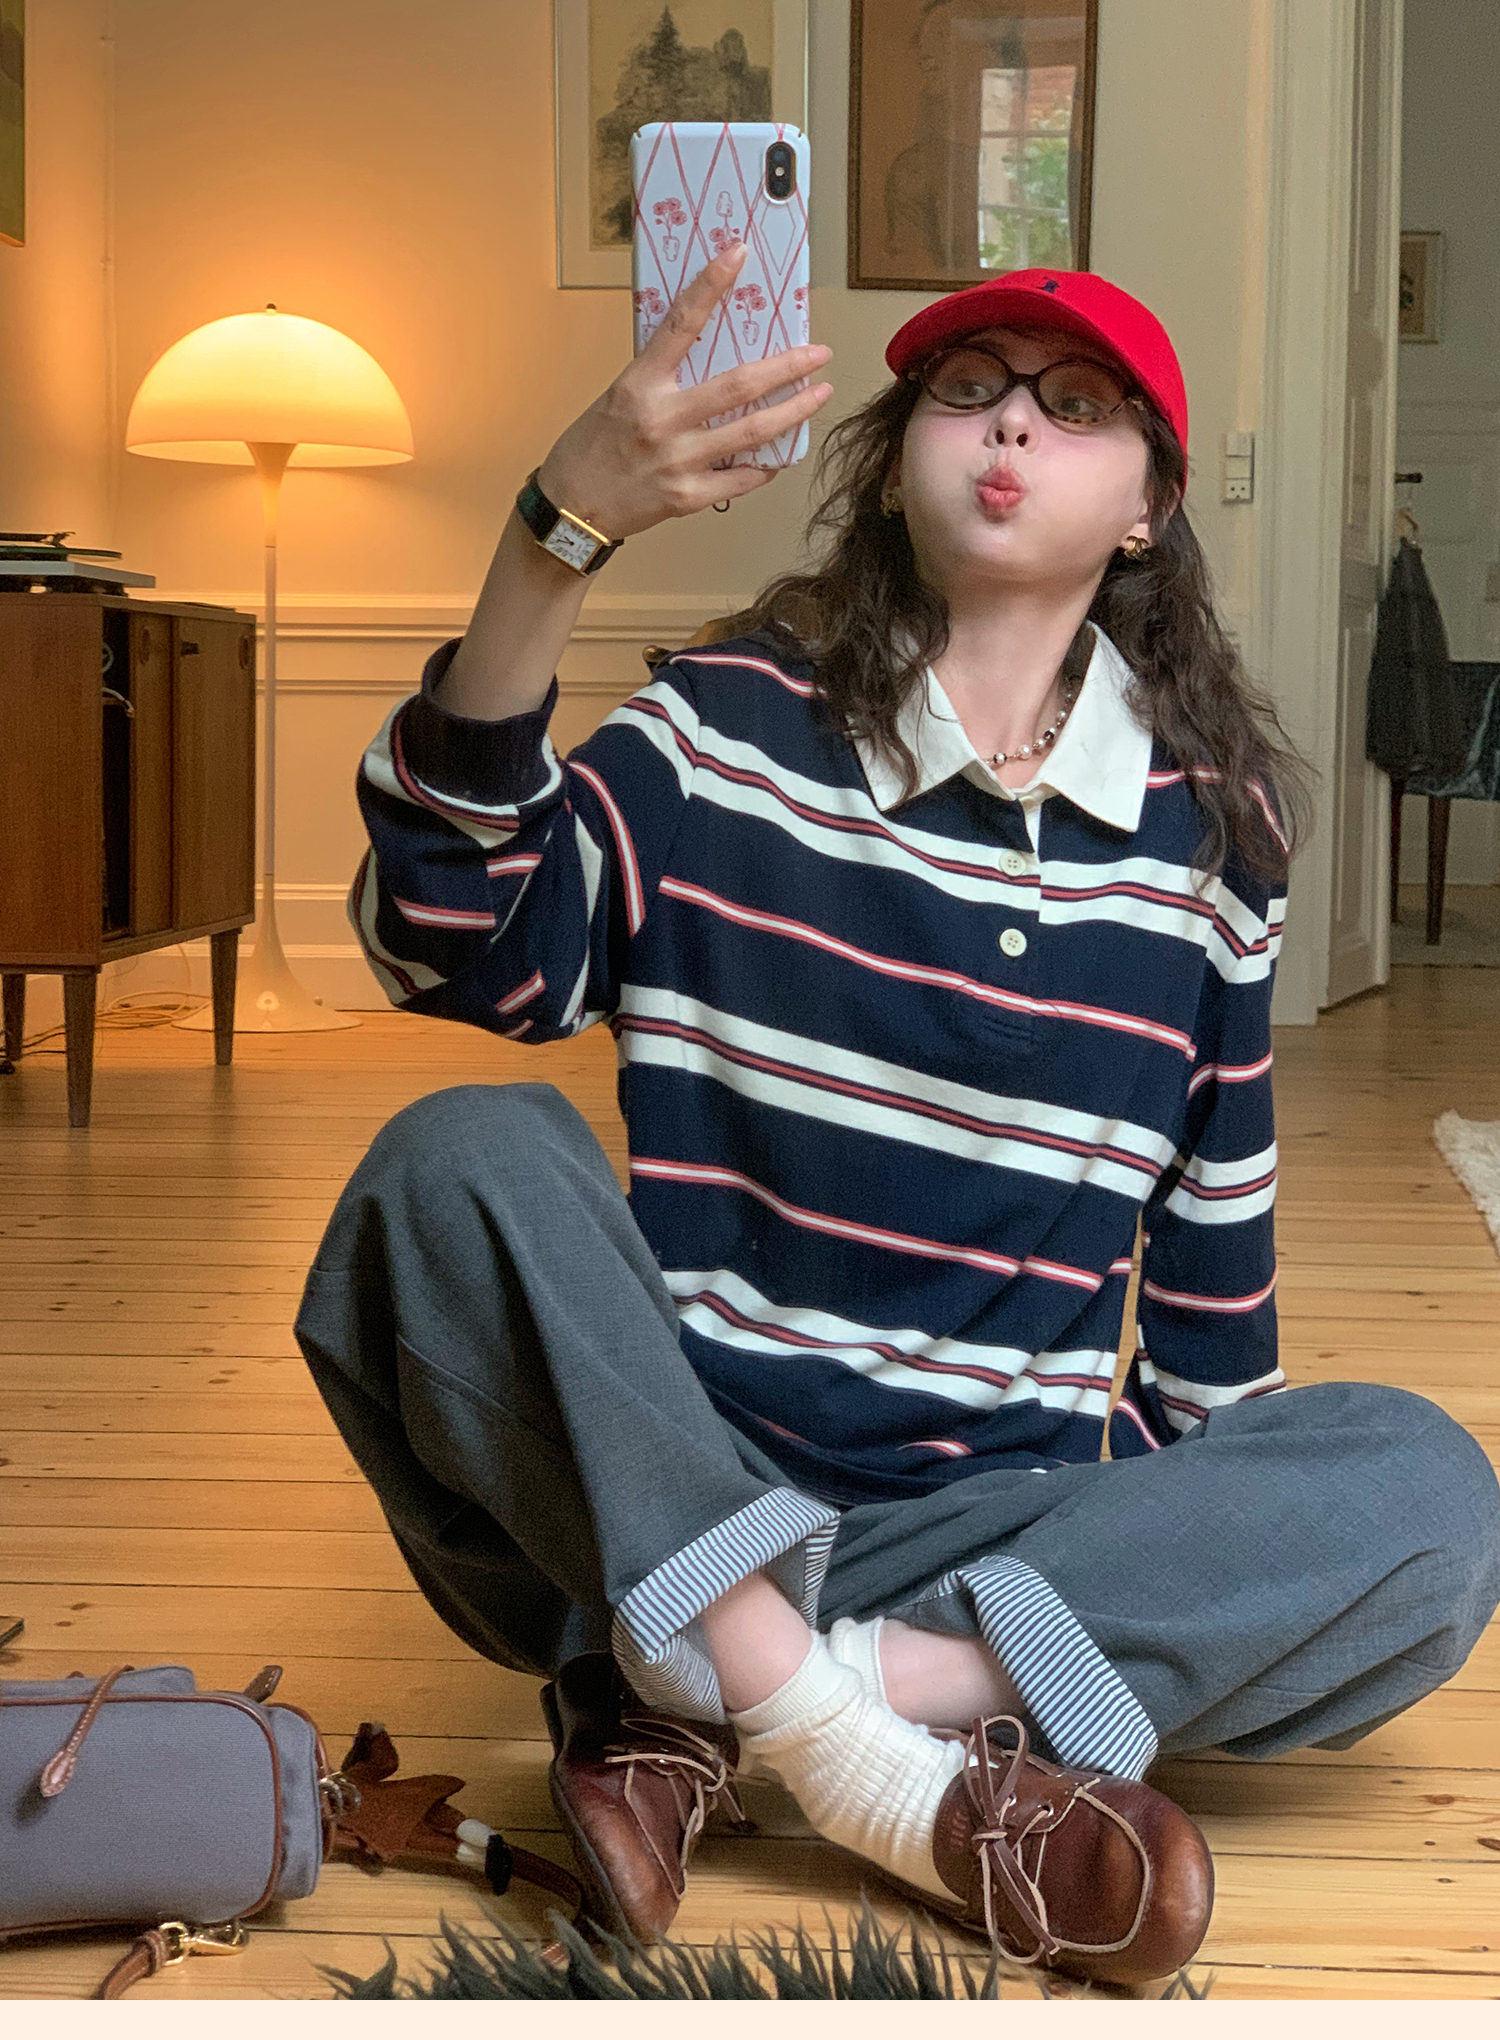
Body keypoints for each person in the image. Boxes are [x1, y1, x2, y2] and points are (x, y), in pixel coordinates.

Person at [295, 245, 1500, 1986]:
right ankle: (887, 1768)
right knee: (454, 1158)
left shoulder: (1213, 835)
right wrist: (561, 525)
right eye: (967, 389)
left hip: (984, 1524)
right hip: (654, 1471)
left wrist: (1209, 1533)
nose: (1011, 421)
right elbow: (452, 947)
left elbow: (1212, 1253)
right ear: (893, 464)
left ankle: (746, 1700)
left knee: (1435, 1499)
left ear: (1149, 508)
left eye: (1072, 404)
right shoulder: (723, 727)